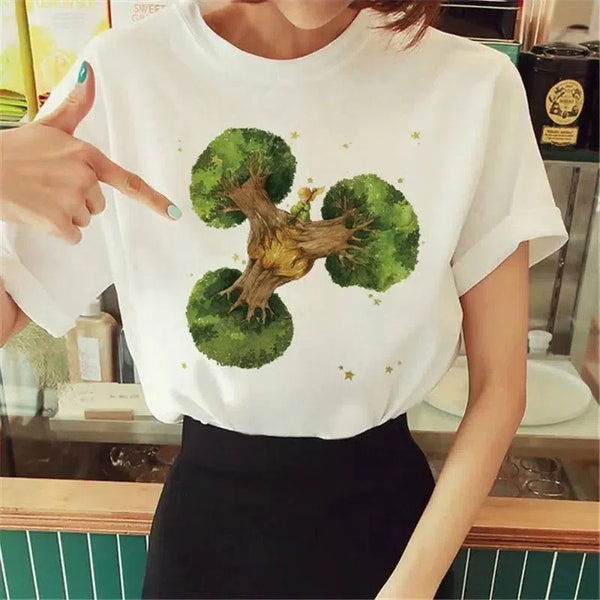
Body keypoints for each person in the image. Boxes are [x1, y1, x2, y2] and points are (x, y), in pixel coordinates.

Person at [0, 0, 569, 598]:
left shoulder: (473, 85)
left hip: (395, 542)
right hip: (203, 545)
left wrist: (410, 588)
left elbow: (500, 388)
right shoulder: (124, 75)